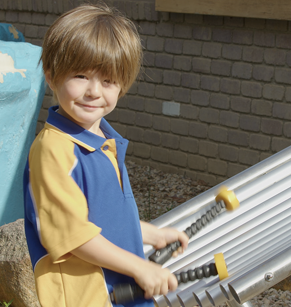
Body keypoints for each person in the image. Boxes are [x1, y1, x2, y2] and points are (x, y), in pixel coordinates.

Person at [23, 4, 189, 307]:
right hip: (89, 298)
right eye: (81, 76)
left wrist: (150, 233)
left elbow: (98, 219)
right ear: (51, 75)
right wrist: (140, 267)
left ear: (121, 87)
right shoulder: (53, 151)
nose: (94, 92)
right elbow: (73, 236)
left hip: (124, 292)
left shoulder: (104, 142)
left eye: (108, 81)